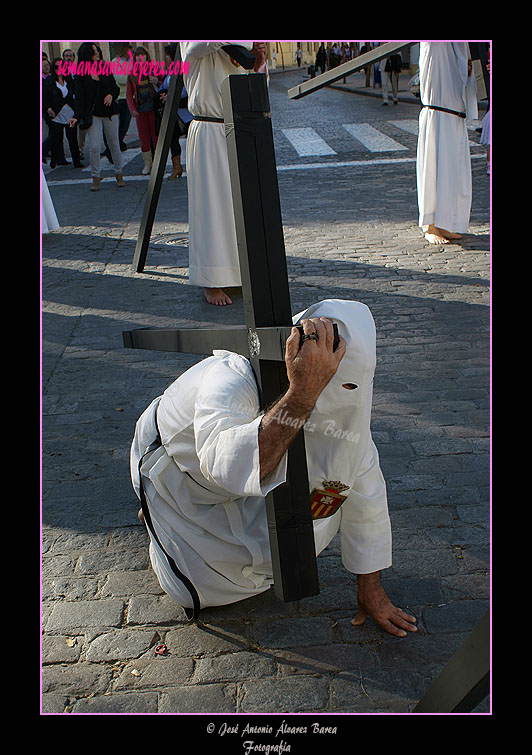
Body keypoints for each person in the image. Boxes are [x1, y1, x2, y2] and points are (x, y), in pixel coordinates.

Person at [130, 299, 418, 638]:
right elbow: (224, 466)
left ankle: (173, 527)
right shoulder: (231, 378)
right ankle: (157, 516)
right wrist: (302, 395)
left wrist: (372, 587)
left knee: (315, 514)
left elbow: (363, 489)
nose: (345, 397)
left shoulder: (345, 411)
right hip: (182, 472)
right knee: (199, 590)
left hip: (247, 470)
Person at [180, 42, 267, 307]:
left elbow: (255, 81)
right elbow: (195, 49)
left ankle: (239, 273)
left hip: (239, 125)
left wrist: (258, 58)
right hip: (209, 127)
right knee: (212, 208)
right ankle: (212, 281)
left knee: (240, 206)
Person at [416, 42, 478, 245]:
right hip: (439, 110)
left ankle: (444, 222)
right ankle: (431, 225)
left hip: (453, 114)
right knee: (434, 167)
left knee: (452, 171)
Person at [68, 42, 125, 191]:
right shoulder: (81, 74)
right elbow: (79, 97)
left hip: (110, 112)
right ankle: (95, 177)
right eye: (94, 51)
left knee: (114, 145)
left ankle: (119, 173)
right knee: (94, 146)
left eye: (97, 50)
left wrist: (111, 96)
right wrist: (76, 115)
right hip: (93, 114)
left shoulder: (104, 68)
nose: (97, 52)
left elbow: (115, 88)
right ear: (87, 54)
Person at [155, 43, 192, 180]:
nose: (165, 57)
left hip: (187, 113)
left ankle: (194, 166)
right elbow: (164, 86)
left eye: (167, 55)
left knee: (191, 140)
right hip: (175, 114)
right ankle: (177, 167)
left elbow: (187, 89)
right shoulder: (171, 70)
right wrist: (164, 94)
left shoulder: (186, 68)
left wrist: (170, 95)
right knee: (173, 139)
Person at [42, 58, 83, 169]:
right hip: (57, 115)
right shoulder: (49, 82)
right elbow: (45, 98)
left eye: (61, 66)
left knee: (72, 138)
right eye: (56, 67)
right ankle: (54, 159)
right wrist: (48, 108)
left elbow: (76, 94)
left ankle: (77, 161)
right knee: (56, 138)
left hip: (70, 114)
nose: (59, 69)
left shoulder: (69, 80)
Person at [127, 46, 159, 175]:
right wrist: (132, 109)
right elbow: (129, 94)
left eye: (143, 55)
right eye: (138, 55)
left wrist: (156, 80)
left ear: (147, 56)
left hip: (153, 108)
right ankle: (147, 163)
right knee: (144, 137)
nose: (140, 57)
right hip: (140, 110)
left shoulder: (154, 69)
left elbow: (164, 83)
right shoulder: (132, 74)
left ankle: (157, 162)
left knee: (155, 136)